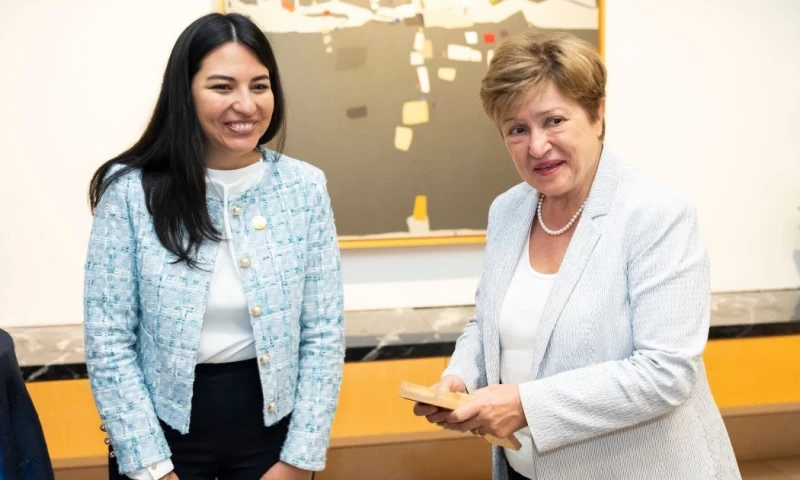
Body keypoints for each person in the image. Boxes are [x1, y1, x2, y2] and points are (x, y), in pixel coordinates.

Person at [413, 31, 741, 480]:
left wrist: (524, 405)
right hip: (522, 468)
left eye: (554, 121)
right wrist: (461, 378)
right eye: (517, 129)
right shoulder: (508, 210)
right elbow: (488, 320)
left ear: (598, 114)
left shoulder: (656, 213)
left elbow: (666, 373)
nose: (537, 146)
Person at [84, 12, 344, 480]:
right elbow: (109, 340)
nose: (246, 105)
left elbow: (323, 331)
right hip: (159, 435)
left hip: (274, 435)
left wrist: (299, 459)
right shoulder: (130, 191)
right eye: (222, 87)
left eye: (259, 86)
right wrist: (150, 467)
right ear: (184, 92)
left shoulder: (304, 187)